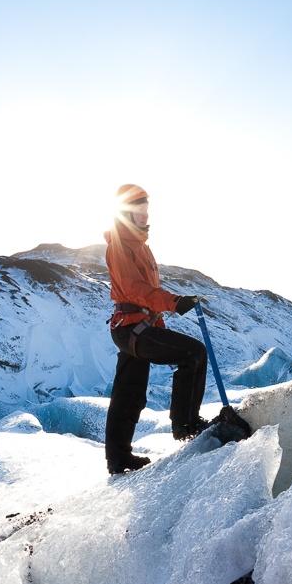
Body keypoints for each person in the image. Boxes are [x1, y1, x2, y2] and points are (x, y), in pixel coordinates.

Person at [102, 183, 210, 475]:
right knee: (193, 353)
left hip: (136, 326)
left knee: (129, 392)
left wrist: (163, 311)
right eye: (138, 209)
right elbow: (133, 289)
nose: (144, 215)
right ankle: (186, 425)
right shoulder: (119, 245)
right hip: (130, 327)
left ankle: (119, 458)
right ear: (125, 212)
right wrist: (173, 302)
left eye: (146, 209)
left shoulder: (141, 246)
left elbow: (146, 294)